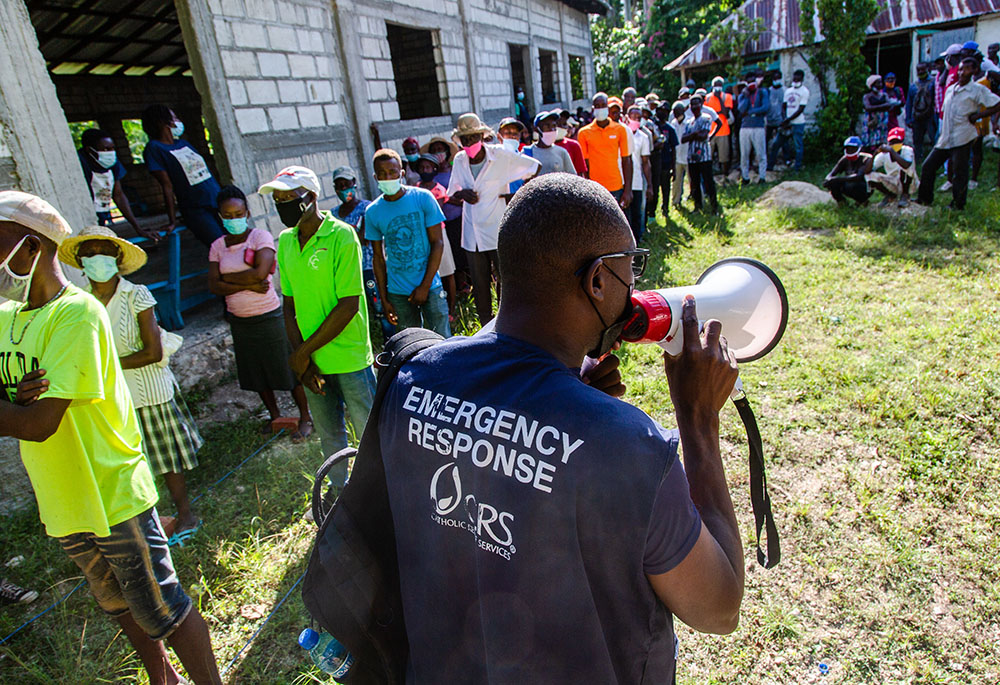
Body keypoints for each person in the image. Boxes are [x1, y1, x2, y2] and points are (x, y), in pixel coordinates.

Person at [378, 173, 744, 682]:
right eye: (629, 270)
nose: (634, 289)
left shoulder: (410, 379)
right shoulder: (629, 447)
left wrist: (567, 397)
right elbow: (719, 608)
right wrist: (699, 419)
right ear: (596, 281)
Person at [0, 190, 221, 684]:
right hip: (62, 497)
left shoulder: (76, 315)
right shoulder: (7, 319)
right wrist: (15, 400)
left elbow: (37, 423)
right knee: (118, 605)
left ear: (32, 248)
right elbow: (16, 406)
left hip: (111, 492)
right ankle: (162, 678)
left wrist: (18, 405)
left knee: (164, 608)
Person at [58, 225, 203, 542]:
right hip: (108, 395)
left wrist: (104, 364)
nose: (98, 259)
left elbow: (152, 352)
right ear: (81, 261)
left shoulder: (136, 295)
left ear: (117, 258)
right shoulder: (78, 301)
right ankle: (148, 523)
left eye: (104, 252)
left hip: (147, 390)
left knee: (166, 459)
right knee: (128, 464)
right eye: (90, 253)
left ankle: (186, 515)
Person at [260, 166, 376, 485]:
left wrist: (302, 353)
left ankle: (378, 491)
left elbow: (348, 305)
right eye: (278, 198)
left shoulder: (340, 235)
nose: (282, 203)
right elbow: (289, 306)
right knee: (330, 435)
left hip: (348, 357)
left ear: (311, 197)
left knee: (369, 432)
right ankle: (340, 491)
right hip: (312, 362)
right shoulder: (285, 242)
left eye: (289, 197)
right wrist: (303, 359)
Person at [209, 185, 314, 440]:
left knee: (287, 369)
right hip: (240, 320)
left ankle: (306, 417)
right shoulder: (217, 246)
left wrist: (230, 279)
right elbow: (214, 284)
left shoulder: (260, 237)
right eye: (228, 215)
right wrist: (250, 283)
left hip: (268, 316)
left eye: (238, 213)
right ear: (220, 216)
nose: (234, 219)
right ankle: (275, 415)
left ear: (247, 212)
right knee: (255, 372)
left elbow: (261, 271)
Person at [447, 113, 540, 326]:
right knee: (479, 284)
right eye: (464, 139)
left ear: (481, 136)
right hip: (472, 234)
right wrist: (463, 195)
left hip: (497, 229)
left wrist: (519, 195)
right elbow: (453, 192)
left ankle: (507, 323)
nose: (468, 143)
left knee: (504, 280)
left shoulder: (500, 156)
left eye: (472, 137)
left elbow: (534, 167)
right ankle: (485, 326)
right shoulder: (460, 160)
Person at [365, 149, 450, 338]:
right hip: (398, 291)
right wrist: (384, 299)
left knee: (443, 340)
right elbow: (378, 258)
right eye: (382, 174)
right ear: (375, 177)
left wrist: (425, 286)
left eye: (393, 172)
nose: (388, 177)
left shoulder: (423, 198)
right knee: (410, 345)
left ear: (402, 173)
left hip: (431, 285)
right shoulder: (373, 212)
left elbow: (437, 243)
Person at [917, 57, 1000, 210]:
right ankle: (924, 199)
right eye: (961, 69)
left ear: (975, 71)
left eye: (967, 69)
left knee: (959, 172)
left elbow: (997, 104)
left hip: (963, 136)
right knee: (928, 166)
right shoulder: (951, 88)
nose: (962, 72)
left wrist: (978, 116)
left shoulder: (977, 90)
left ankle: (957, 204)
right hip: (946, 137)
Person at [141, 105, 223, 247]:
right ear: (162, 122)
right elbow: (166, 186)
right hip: (196, 208)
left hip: (217, 200)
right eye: (174, 118)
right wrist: (172, 220)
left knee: (237, 244)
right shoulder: (154, 148)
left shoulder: (183, 143)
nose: (178, 121)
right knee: (220, 246)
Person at [331, 166, 394, 340]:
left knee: (378, 304)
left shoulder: (368, 208)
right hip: (348, 270)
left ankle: (390, 340)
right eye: (340, 186)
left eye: (347, 184)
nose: (344, 189)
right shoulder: (334, 215)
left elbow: (365, 238)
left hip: (368, 266)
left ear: (354, 184)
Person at [78, 129, 154, 241]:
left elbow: (118, 195)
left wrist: (138, 228)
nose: (111, 152)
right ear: (90, 150)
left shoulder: (112, 163)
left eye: (113, 148)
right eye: (106, 149)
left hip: (102, 214)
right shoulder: (81, 164)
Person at [424, 136, 470, 294]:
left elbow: (461, 195)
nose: (438, 153)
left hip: (458, 218)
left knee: (461, 250)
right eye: (434, 150)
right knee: (448, 253)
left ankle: (464, 284)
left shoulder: (454, 170)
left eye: (440, 149)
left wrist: (448, 198)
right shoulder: (430, 175)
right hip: (441, 223)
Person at [414, 153, 458, 318]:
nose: (425, 170)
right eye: (422, 168)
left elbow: (433, 213)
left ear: (434, 169)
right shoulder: (416, 188)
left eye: (428, 167)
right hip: (421, 235)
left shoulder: (438, 189)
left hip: (438, 232)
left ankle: (451, 309)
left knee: (447, 271)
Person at [577, 93, 633, 209]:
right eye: (597, 106)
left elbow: (626, 160)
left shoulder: (620, 129)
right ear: (593, 109)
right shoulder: (584, 133)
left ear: (608, 108)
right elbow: (585, 165)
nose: (600, 108)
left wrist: (627, 190)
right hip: (595, 188)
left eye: (603, 105)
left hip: (616, 186)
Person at [615, 103, 652, 240]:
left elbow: (646, 162)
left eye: (639, 117)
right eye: (633, 117)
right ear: (627, 117)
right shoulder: (620, 131)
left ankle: (637, 240)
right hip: (620, 180)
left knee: (638, 213)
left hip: (636, 180)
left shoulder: (643, 137)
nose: (635, 120)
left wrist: (650, 184)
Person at [684, 94, 720, 215]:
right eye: (692, 104)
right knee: (694, 183)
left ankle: (714, 207)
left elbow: (703, 135)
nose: (694, 106)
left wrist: (693, 135)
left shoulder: (706, 118)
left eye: (696, 103)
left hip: (704, 156)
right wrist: (695, 134)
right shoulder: (689, 122)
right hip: (692, 158)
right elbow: (683, 138)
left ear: (701, 104)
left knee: (708, 182)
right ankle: (697, 206)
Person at [865, 127, 918, 207]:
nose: (894, 144)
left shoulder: (907, 150)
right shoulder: (884, 155)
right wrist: (875, 154)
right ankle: (890, 194)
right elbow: (867, 170)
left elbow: (906, 165)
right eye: (892, 142)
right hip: (893, 182)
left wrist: (892, 151)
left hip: (908, 183)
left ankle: (905, 195)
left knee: (906, 169)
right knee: (869, 176)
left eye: (897, 142)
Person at [768, 69, 809, 172]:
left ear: (802, 79)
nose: (795, 81)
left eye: (798, 79)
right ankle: (770, 166)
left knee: (798, 146)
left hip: (798, 123)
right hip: (786, 123)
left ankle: (797, 168)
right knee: (776, 144)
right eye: (794, 79)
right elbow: (784, 106)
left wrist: (788, 119)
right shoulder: (788, 91)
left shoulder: (804, 91)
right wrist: (784, 118)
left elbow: (800, 109)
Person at [737, 71, 770, 183]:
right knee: (744, 155)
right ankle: (745, 177)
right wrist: (746, 96)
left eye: (753, 81)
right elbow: (741, 110)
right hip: (745, 127)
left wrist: (751, 112)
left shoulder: (762, 92)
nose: (751, 83)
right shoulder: (743, 95)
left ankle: (762, 177)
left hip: (758, 126)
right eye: (749, 82)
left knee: (761, 153)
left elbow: (765, 107)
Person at [823, 136, 873, 205]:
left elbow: (858, 176)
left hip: (864, 187)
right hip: (848, 183)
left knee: (851, 185)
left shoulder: (866, 159)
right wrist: (828, 180)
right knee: (833, 183)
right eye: (848, 149)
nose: (850, 151)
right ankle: (842, 202)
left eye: (853, 149)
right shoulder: (844, 159)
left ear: (860, 149)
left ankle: (862, 201)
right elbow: (832, 173)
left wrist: (837, 179)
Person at [906, 63, 938, 166]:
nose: (920, 72)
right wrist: (908, 119)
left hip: (930, 116)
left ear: (927, 69)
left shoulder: (933, 83)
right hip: (917, 117)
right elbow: (909, 104)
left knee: (934, 139)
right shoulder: (913, 86)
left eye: (922, 69)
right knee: (917, 141)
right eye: (918, 70)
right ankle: (918, 161)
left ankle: (936, 161)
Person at [527, 111, 577, 176]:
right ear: (536, 129)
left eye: (554, 126)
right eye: (547, 126)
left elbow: (573, 177)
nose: (552, 129)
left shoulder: (562, 152)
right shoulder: (528, 152)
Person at [653, 102, 680, 216]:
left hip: (666, 163)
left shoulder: (670, 129)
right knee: (654, 189)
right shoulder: (653, 126)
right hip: (655, 163)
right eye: (660, 110)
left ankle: (665, 208)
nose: (662, 113)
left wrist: (673, 167)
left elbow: (674, 149)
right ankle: (653, 211)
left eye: (665, 111)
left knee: (666, 189)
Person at [705, 77, 734, 176]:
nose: (717, 88)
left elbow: (726, 114)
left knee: (724, 157)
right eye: (716, 85)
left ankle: (725, 176)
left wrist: (719, 99)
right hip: (710, 131)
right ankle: (709, 176)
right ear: (712, 86)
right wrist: (719, 112)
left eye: (719, 85)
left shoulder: (727, 97)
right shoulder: (707, 98)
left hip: (723, 131)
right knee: (709, 156)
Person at [861, 75, 893, 152]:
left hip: (882, 122)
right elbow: (867, 107)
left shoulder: (884, 95)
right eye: (878, 83)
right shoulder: (867, 96)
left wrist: (875, 107)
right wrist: (882, 106)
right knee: (869, 142)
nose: (880, 84)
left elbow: (889, 105)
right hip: (872, 120)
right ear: (872, 84)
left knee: (881, 141)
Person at [670, 101, 689, 208]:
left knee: (693, 181)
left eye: (679, 111)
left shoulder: (689, 122)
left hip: (688, 156)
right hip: (677, 157)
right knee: (676, 182)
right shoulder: (673, 123)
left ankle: (697, 201)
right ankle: (676, 201)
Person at [555, 109, 587, 174]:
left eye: (564, 124)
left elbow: (580, 172)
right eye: (558, 124)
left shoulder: (574, 145)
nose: (561, 127)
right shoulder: (544, 147)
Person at [765, 72, 785, 164]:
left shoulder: (784, 90)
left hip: (780, 120)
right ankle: (766, 159)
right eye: (775, 78)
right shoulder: (768, 91)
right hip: (769, 120)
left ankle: (785, 159)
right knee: (766, 140)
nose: (777, 80)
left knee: (783, 141)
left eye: (778, 78)